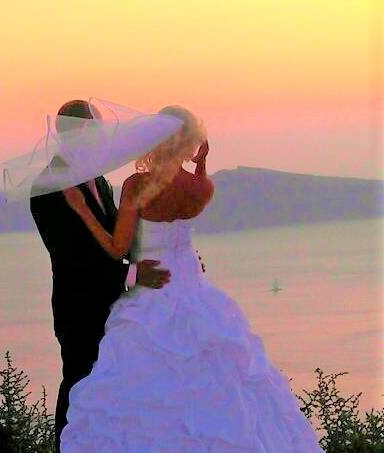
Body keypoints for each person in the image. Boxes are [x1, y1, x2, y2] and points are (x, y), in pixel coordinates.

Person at [60, 106, 323, 451]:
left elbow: (116, 247)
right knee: (216, 376)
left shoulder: (138, 185)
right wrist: (199, 165)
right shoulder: (203, 189)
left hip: (153, 289)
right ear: (190, 142)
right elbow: (189, 196)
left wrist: (81, 209)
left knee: (149, 378)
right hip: (192, 284)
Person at [30, 99, 173, 451]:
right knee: (80, 387)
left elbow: (116, 239)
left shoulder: (98, 179)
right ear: (72, 134)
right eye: (93, 132)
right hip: (79, 307)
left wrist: (166, 256)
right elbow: (72, 256)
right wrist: (131, 275)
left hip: (114, 306)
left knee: (111, 388)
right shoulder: (48, 186)